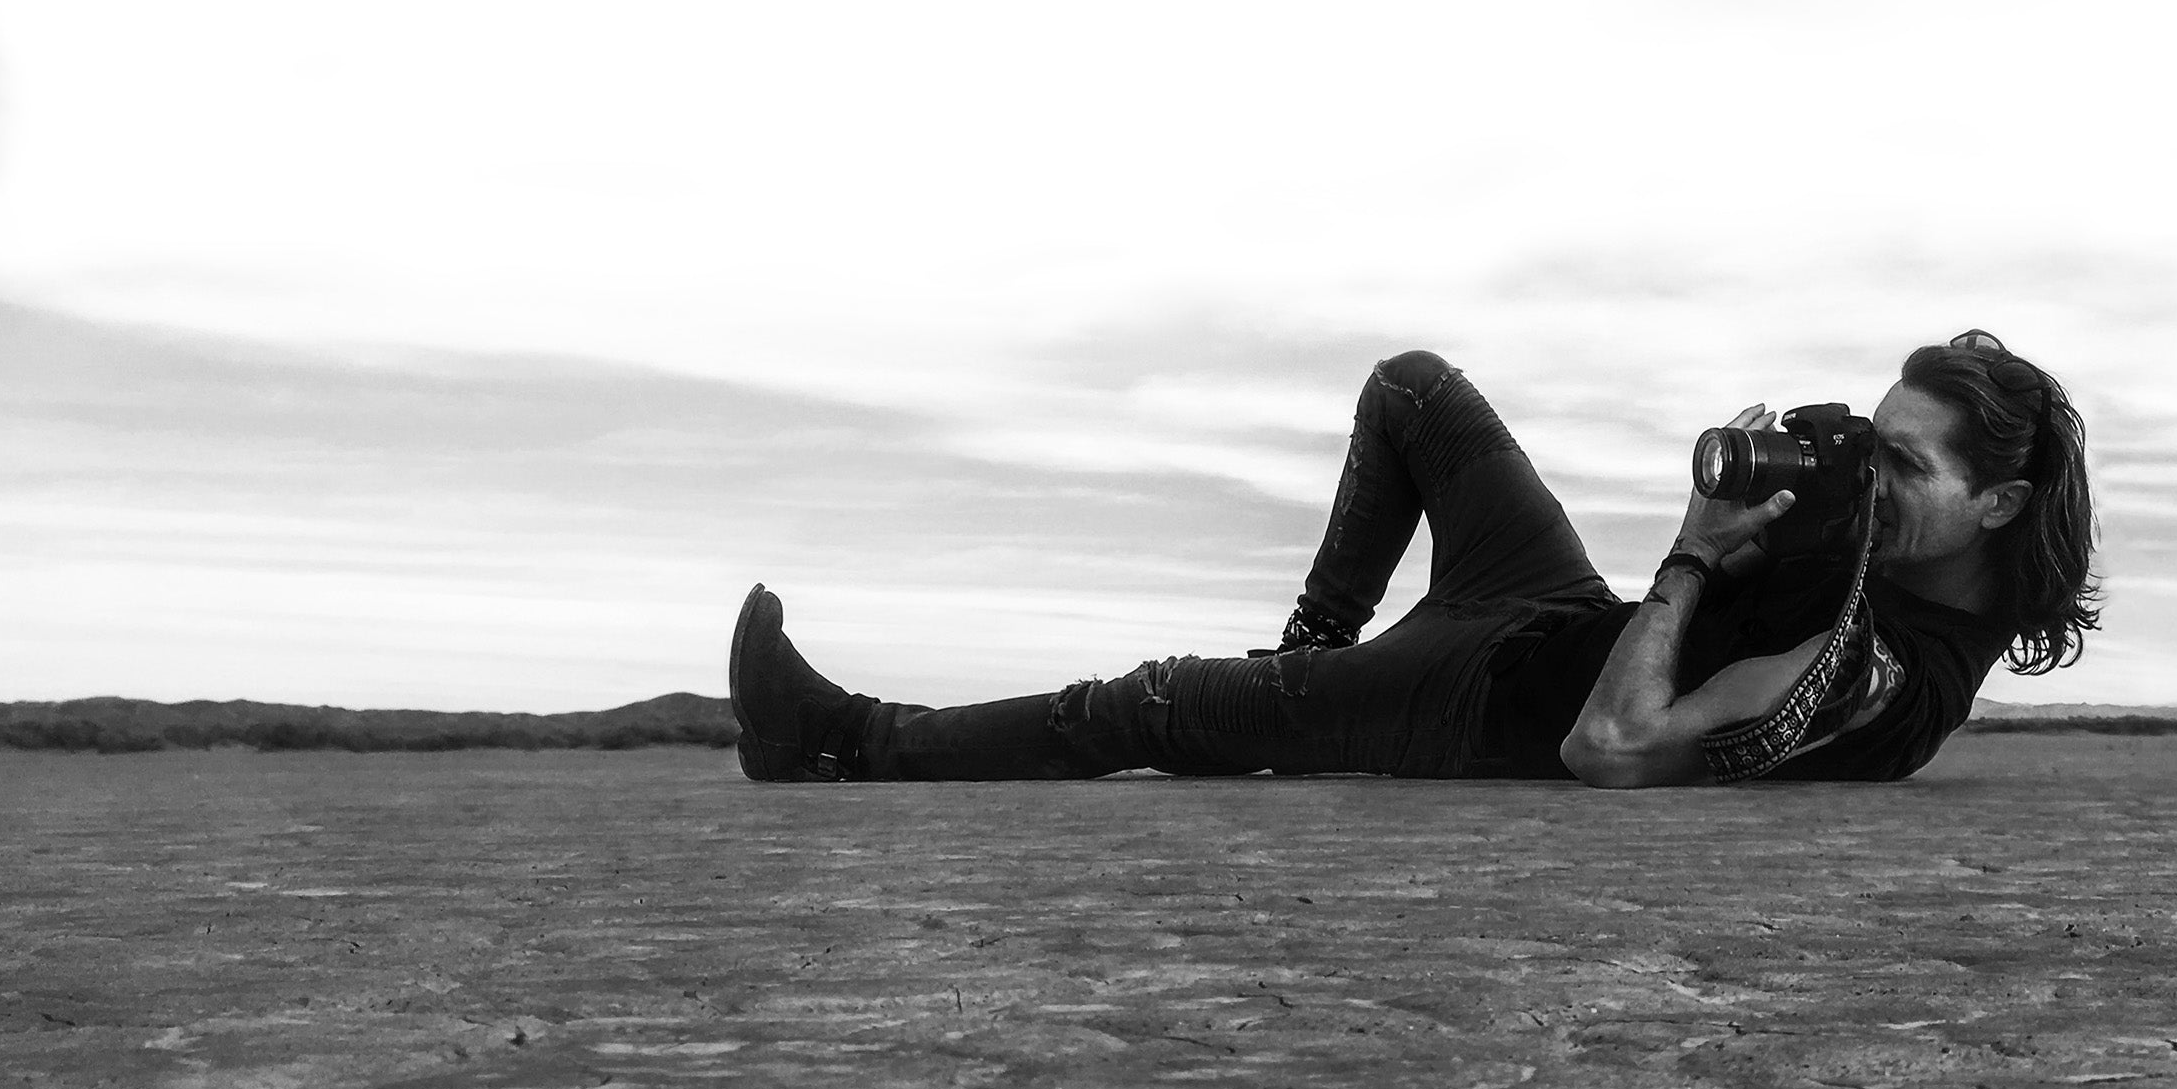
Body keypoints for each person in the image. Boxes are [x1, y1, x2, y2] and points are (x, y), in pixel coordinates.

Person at [728, 330, 2096, 788]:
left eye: (1909, 470)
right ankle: (1304, 672)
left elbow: (1610, 748)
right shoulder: (1870, 576)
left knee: (1138, 705)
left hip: (1475, 706)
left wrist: (1694, 558)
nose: (1879, 487)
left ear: (1999, 505)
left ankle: (850, 740)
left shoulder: (1886, 680)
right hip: (1543, 606)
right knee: (1414, 391)